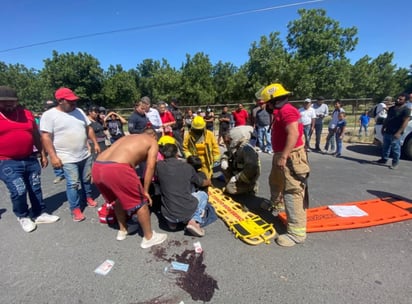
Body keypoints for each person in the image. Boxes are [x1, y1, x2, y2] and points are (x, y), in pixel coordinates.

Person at [91, 129, 168, 248]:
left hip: (98, 166)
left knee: (118, 198)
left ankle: (123, 230)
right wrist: (145, 190)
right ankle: (149, 237)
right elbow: (151, 166)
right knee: (141, 202)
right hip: (118, 168)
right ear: (154, 136)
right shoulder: (152, 142)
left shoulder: (129, 137)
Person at [256, 83, 310, 247]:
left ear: (273, 101)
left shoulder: (287, 111)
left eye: (265, 103)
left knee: (292, 191)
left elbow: (293, 133)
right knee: (276, 182)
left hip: (290, 157)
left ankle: (296, 233)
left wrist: (285, 156)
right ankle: (276, 204)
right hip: (282, 154)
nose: (264, 106)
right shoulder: (282, 111)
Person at [0, 86, 60, 232]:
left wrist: (43, 154)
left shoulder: (26, 114)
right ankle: (23, 216)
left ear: (17, 101)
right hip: (7, 161)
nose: (8, 104)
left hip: (30, 158)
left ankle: (39, 213)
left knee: (35, 187)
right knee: (19, 189)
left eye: (12, 101)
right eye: (4, 101)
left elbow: (35, 135)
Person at [40, 87, 100, 222]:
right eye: (70, 101)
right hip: (66, 156)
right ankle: (75, 208)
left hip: (84, 153)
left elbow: (88, 127)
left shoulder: (78, 112)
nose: (74, 104)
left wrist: (95, 143)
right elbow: (45, 137)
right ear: (60, 101)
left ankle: (88, 197)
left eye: (74, 101)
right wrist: (53, 156)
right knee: (73, 183)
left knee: (86, 179)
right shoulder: (49, 115)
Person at [156, 141, 211, 236]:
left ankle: (173, 223)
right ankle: (194, 221)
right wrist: (209, 181)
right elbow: (201, 183)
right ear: (177, 153)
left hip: (168, 215)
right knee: (203, 195)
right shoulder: (188, 167)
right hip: (187, 212)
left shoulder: (158, 166)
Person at [220, 126, 260, 195]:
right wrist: (224, 159)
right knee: (225, 167)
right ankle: (235, 183)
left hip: (248, 174)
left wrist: (236, 178)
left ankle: (252, 187)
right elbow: (228, 153)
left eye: (227, 141)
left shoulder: (246, 148)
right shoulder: (233, 142)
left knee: (230, 189)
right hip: (240, 170)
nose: (227, 144)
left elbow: (252, 167)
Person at [375, 93, 411, 169]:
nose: (398, 100)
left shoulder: (406, 110)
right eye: (398, 98)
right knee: (385, 146)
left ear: (405, 101)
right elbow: (387, 118)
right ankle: (384, 159)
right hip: (388, 130)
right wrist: (383, 127)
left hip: (396, 132)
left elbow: (405, 122)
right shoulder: (392, 108)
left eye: (400, 99)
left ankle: (395, 163)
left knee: (395, 148)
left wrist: (398, 132)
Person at [43, 100, 65, 184]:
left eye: (52, 107)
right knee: (54, 157)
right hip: (51, 142)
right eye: (49, 107)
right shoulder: (44, 117)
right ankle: (59, 174)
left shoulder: (61, 115)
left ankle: (66, 172)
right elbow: (43, 134)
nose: (51, 109)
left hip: (61, 140)